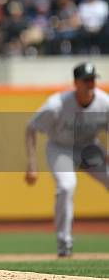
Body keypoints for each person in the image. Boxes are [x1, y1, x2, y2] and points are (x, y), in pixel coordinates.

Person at [25, 62, 109, 257]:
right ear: (76, 82)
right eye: (86, 80)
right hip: (61, 148)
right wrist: (31, 164)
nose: (90, 84)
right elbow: (31, 128)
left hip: (88, 148)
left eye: (93, 79)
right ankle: (64, 243)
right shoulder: (56, 104)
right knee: (66, 186)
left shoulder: (104, 102)